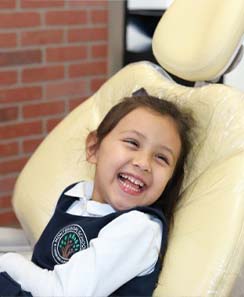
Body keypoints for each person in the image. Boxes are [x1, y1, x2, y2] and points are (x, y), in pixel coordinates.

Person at [0, 89, 194, 297]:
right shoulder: (75, 197)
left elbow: (65, 293)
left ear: (169, 180)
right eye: (132, 143)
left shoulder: (139, 228)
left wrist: (7, 262)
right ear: (94, 148)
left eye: (161, 158)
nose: (143, 163)